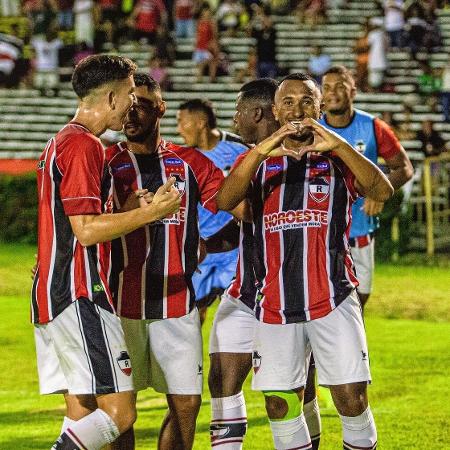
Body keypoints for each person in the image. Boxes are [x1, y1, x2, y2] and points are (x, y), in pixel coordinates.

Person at [216, 72, 394, 450]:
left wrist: (341, 146)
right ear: (276, 111)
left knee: (351, 399)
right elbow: (224, 200)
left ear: (320, 106)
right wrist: (262, 151)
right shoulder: (259, 161)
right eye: (289, 102)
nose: (298, 110)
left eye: (307, 101)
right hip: (275, 303)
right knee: (280, 403)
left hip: (332, 296)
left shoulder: (337, 156)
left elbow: (382, 189)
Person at [32, 54, 181, 450]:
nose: (134, 103)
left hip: (54, 292)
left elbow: (74, 223)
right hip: (80, 294)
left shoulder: (61, 140)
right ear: (113, 97)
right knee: (120, 414)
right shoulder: (84, 145)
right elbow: (85, 231)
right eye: (131, 94)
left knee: (82, 412)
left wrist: (130, 209)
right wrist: (153, 212)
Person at [106, 73, 227, 450]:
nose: (131, 112)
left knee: (187, 404)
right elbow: (80, 224)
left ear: (160, 109)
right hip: (117, 305)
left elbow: (233, 204)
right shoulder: (106, 162)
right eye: (126, 104)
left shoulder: (190, 162)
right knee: (120, 414)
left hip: (176, 302)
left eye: (141, 104)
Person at [208, 78, 322, 450]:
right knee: (222, 380)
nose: (234, 119)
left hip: (292, 296)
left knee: (292, 393)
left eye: (238, 111)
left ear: (257, 113)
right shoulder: (248, 161)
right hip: (245, 292)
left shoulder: (311, 157)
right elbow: (236, 214)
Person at [320, 65, 413, 309]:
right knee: (319, 301)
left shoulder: (373, 127)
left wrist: (379, 191)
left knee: (360, 297)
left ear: (353, 92)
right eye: (327, 88)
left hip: (359, 228)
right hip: (320, 230)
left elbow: (404, 168)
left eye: (340, 87)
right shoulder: (312, 130)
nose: (333, 93)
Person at [176, 98, 248, 323]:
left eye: (182, 122)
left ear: (200, 122)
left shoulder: (239, 149)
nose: (178, 129)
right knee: (192, 317)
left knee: (241, 316)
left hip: (236, 250)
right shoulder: (183, 159)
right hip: (202, 251)